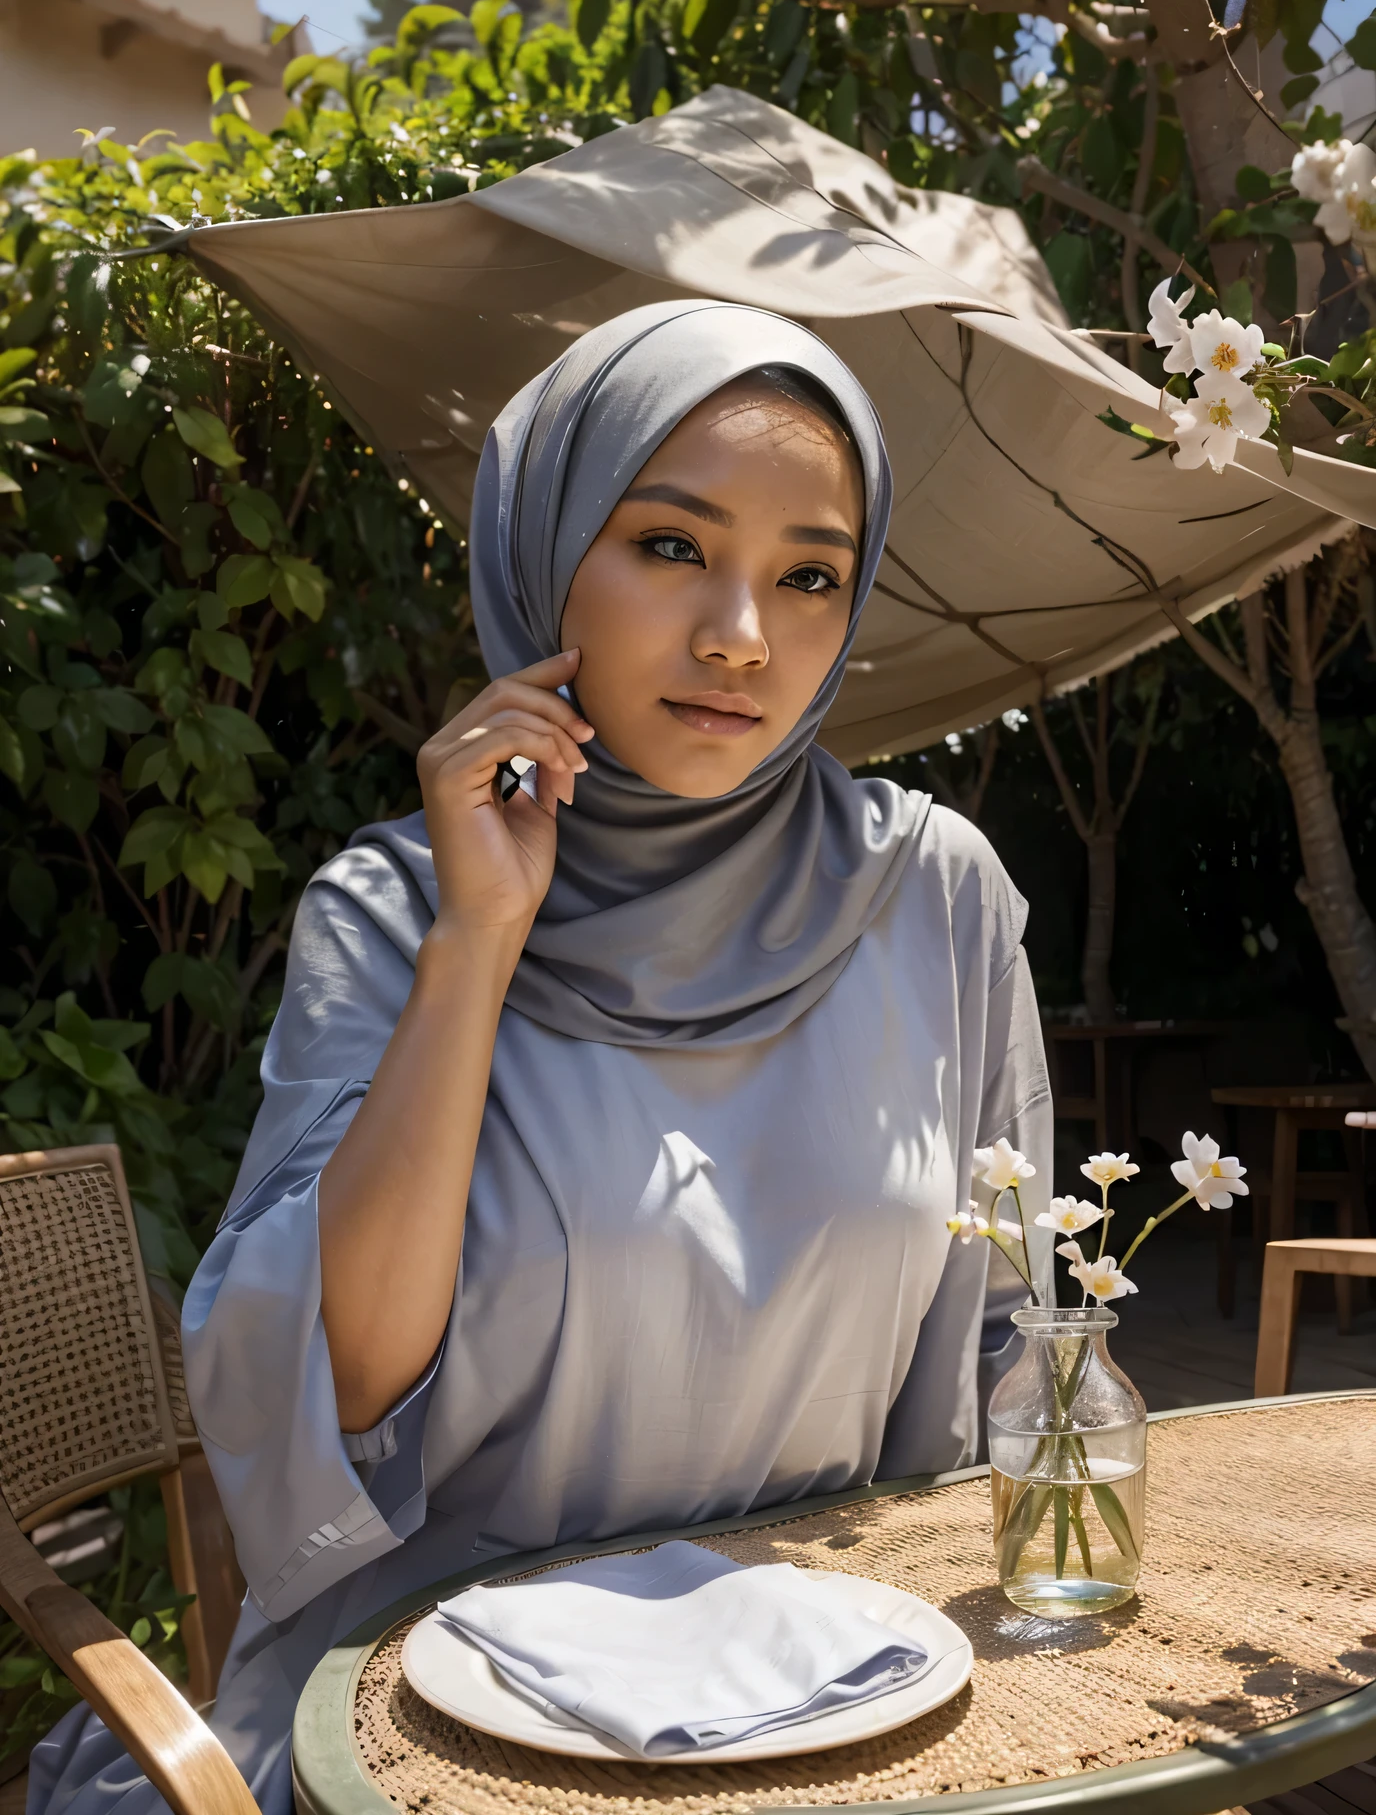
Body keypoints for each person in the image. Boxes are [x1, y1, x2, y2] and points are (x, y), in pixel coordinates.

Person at [29, 301, 1050, 1815]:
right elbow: (351, 1379)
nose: (741, 637)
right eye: (668, 545)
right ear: (541, 549)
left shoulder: (936, 897)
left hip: (842, 1695)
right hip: (439, 1704)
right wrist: (480, 944)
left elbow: (1021, 1335)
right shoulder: (393, 915)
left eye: (809, 575)